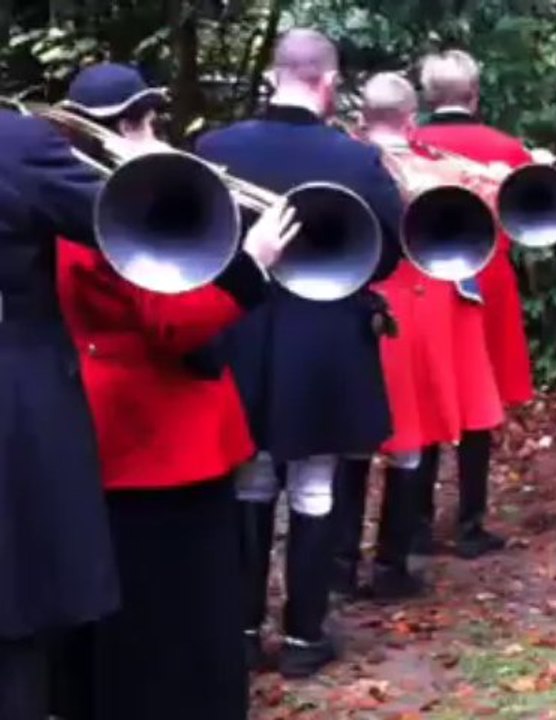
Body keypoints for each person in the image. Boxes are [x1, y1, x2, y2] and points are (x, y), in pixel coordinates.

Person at [52, 63, 301, 719]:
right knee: (179, 614)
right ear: (131, 124)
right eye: (151, 122)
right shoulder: (115, 204)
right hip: (158, 442)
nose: (158, 134)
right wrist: (254, 264)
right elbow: (172, 323)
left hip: (105, 433)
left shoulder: (61, 193)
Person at [195, 28, 405, 678]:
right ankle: (304, 637)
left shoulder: (213, 150)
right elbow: (389, 256)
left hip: (242, 333)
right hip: (323, 348)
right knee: (313, 485)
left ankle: (238, 629)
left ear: (274, 75)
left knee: (251, 482)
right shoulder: (356, 161)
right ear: (329, 81)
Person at [331, 72, 506, 600]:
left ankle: (339, 566)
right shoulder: (440, 174)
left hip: (353, 309)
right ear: (412, 119)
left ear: (363, 116)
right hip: (416, 315)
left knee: (353, 444)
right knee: (410, 441)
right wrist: (499, 175)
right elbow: (488, 220)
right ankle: (391, 566)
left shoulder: (340, 163)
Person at [0, 88, 122, 720]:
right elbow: (123, 220)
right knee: (16, 616)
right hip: (15, 411)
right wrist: (150, 163)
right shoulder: (17, 144)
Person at [409, 48, 532, 557]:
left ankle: (413, 522)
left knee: (425, 396)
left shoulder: (405, 145)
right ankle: (470, 523)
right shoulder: (507, 148)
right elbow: (526, 222)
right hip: (489, 283)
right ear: (475, 94)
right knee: (480, 403)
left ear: (426, 96)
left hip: (424, 285)